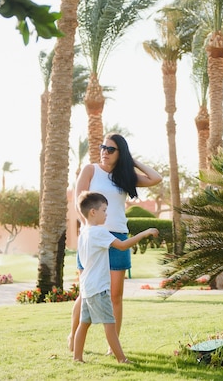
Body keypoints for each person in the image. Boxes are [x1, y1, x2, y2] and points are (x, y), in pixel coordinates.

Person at [69, 133, 162, 352]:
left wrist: (132, 160)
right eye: (103, 147)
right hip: (93, 238)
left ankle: (113, 346)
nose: (105, 152)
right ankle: (73, 338)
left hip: (119, 235)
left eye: (111, 149)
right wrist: (91, 230)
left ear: (120, 153)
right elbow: (78, 203)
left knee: (115, 295)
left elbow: (155, 178)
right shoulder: (90, 170)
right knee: (86, 292)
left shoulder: (125, 175)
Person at [73, 191, 159, 364]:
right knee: (110, 324)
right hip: (99, 287)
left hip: (87, 287)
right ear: (93, 212)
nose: (106, 214)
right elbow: (122, 245)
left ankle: (77, 358)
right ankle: (122, 359)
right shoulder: (99, 232)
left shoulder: (84, 234)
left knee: (84, 323)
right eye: (104, 210)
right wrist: (145, 233)